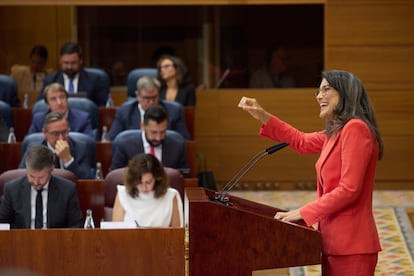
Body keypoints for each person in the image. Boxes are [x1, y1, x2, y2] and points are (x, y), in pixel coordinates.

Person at [238, 70, 383, 276]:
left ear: (346, 93)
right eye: (318, 90)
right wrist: (261, 115)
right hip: (333, 240)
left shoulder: (356, 129)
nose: (318, 96)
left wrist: (303, 213)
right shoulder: (337, 132)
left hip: (352, 244)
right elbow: (301, 141)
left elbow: (349, 189)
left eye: (326, 89)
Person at [0, 144, 82, 229]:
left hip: (56, 240)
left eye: (41, 177)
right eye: (31, 176)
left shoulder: (67, 190)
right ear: (27, 169)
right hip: (21, 240)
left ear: (51, 169)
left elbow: (76, 226)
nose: (36, 182)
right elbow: (2, 224)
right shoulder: (12, 189)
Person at [108, 76, 190, 140]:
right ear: (138, 96)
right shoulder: (124, 111)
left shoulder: (174, 111)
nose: (151, 102)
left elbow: (183, 141)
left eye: (154, 97)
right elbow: (113, 140)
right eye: (147, 98)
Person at [112, 153, 183, 227]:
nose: (144, 187)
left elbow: (178, 234)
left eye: (148, 182)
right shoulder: (123, 194)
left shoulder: (171, 196)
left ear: (157, 178)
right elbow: (116, 233)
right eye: (139, 183)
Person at [110, 105, 189, 171]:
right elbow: (115, 177)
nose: (158, 138)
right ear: (142, 126)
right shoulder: (125, 146)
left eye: (162, 132)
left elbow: (184, 179)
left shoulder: (177, 147)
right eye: (154, 132)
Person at [19, 112, 96, 179]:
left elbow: (86, 180)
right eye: (55, 134)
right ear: (45, 133)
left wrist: (68, 160)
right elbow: (21, 176)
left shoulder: (81, 148)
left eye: (64, 132)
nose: (61, 138)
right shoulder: (34, 150)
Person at [37, 42, 109, 106]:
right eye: (66, 63)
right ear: (60, 61)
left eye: (73, 63)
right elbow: (41, 105)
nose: (69, 67)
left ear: (80, 61)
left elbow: (102, 107)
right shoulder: (51, 80)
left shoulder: (94, 80)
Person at [28, 83, 94, 139]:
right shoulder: (38, 119)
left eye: (62, 97)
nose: (59, 102)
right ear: (48, 104)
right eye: (53, 99)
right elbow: (31, 143)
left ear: (67, 100)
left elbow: (88, 145)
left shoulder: (83, 119)